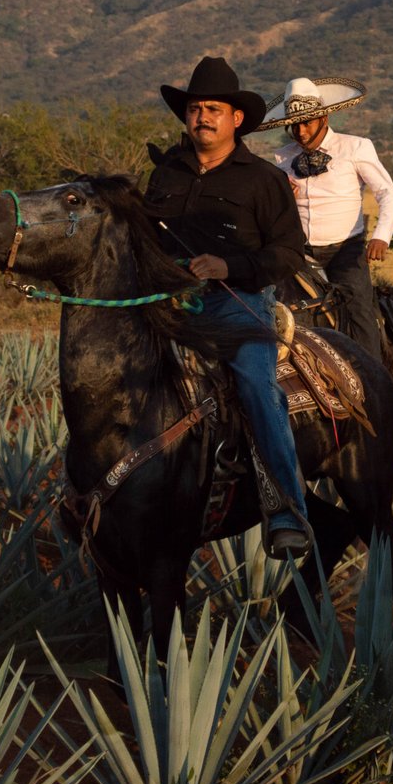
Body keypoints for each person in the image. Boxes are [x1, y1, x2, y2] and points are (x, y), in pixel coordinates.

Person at [145, 55, 312, 560]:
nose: (202, 118)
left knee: (259, 386)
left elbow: (289, 253)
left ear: (236, 119)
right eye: (195, 109)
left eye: (213, 109)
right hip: (164, 303)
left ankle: (286, 511)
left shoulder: (261, 180)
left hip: (237, 302)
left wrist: (229, 265)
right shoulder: (165, 174)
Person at [260, 77, 393, 362]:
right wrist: (285, 198)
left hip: (345, 249)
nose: (300, 131)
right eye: (294, 125)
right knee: (276, 304)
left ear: (323, 118)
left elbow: (387, 191)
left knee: (358, 307)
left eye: (307, 123)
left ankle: (372, 373)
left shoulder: (355, 147)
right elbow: (274, 209)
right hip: (299, 251)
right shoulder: (283, 158)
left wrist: (381, 236)